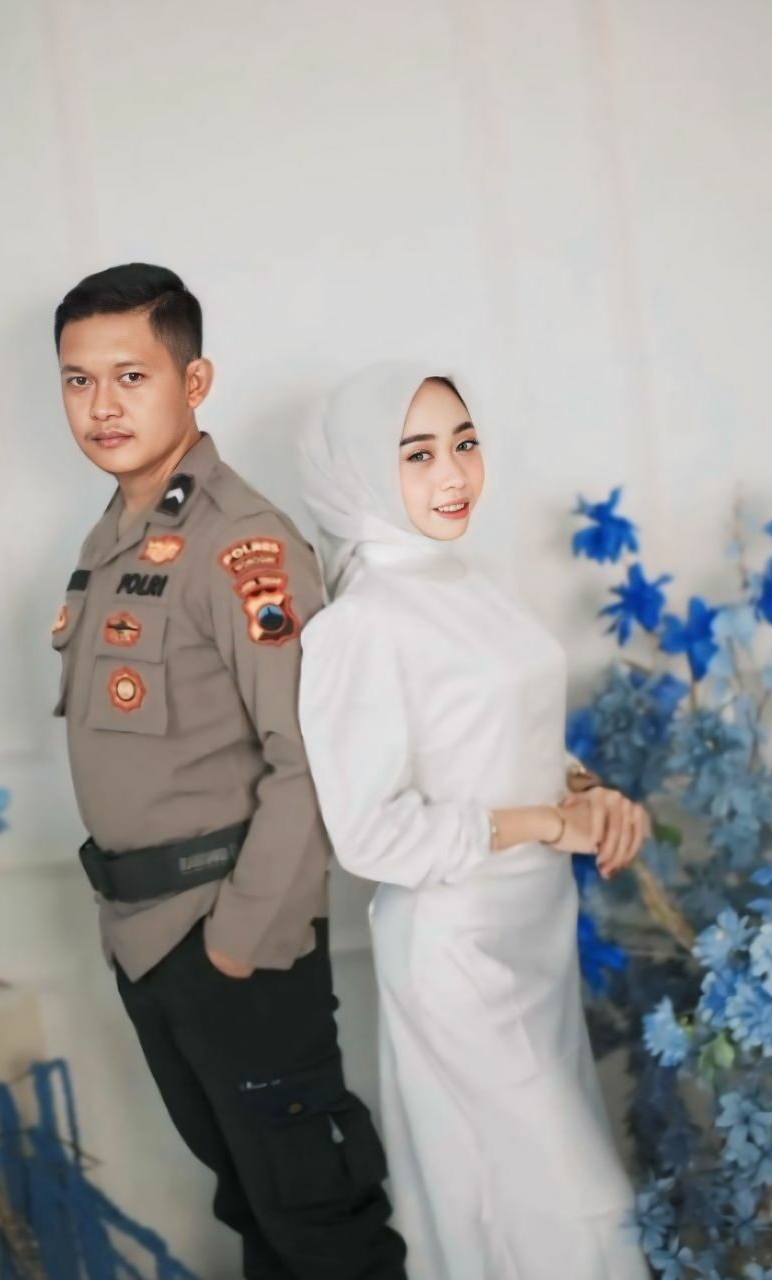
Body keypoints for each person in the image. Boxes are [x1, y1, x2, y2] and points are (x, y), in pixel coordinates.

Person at [50, 264, 407, 1280]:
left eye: (131, 375)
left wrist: (238, 945)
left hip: (229, 934)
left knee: (321, 1223)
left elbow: (310, 759)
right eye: (79, 380)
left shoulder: (239, 541)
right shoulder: (112, 539)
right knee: (256, 1212)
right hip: (145, 938)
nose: (103, 405)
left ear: (194, 380)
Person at [297, 362, 651, 1280]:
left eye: (463, 443)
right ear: (360, 469)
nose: (452, 474)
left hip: (536, 933)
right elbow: (369, 835)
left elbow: (502, 733)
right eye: (416, 454)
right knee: (582, 1212)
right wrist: (547, 825)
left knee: (523, 1214)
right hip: (456, 950)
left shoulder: (472, 578)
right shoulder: (359, 624)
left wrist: (585, 790)